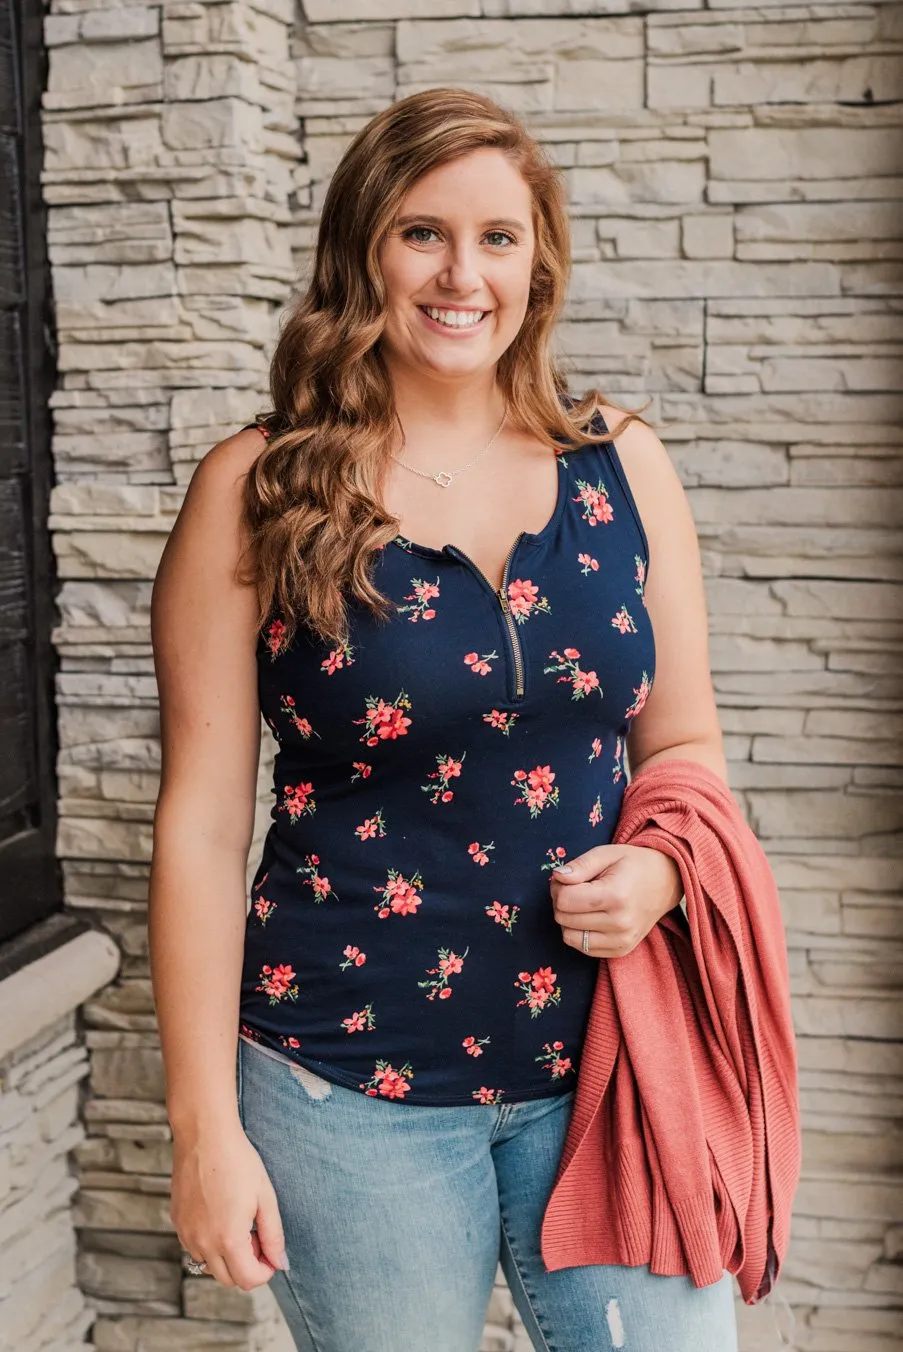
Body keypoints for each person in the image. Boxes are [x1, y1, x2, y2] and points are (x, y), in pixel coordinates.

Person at [148, 87, 739, 1352]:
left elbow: (682, 741)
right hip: (347, 1086)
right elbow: (199, 825)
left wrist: (661, 867)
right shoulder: (258, 490)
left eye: (498, 238)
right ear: (364, 249)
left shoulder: (621, 465)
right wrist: (202, 1125)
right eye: (422, 233)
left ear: (539, 261)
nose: (461, 273)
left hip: (610, 1068)